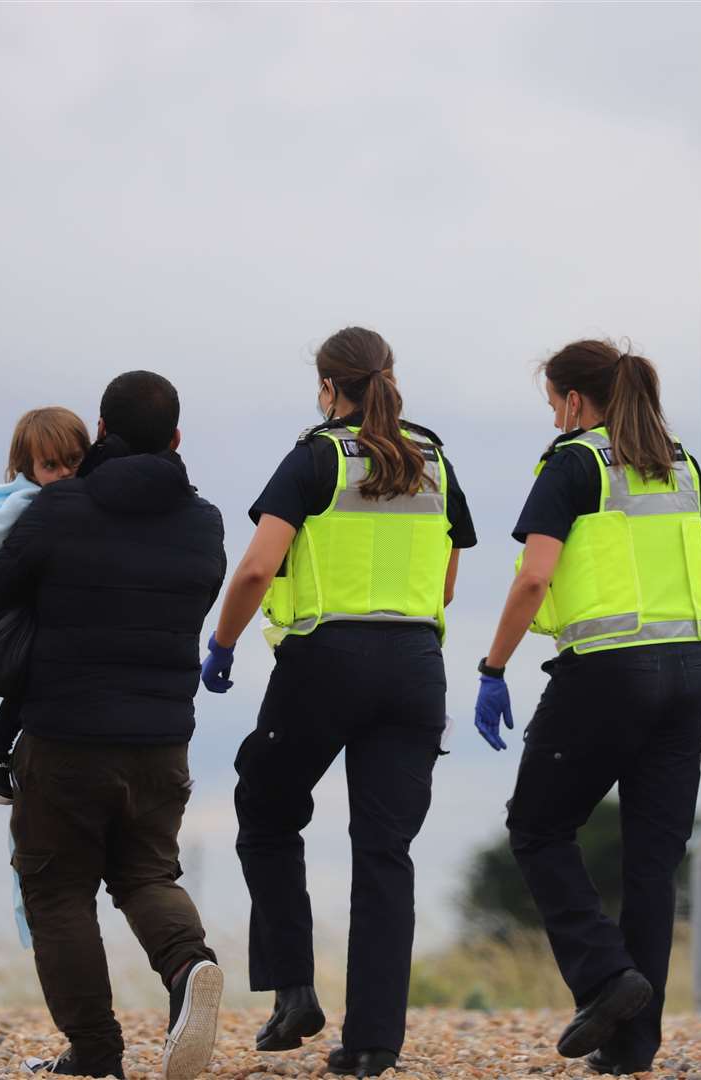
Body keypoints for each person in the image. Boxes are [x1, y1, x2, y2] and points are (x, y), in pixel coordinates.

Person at [472, 339, 701, 1075]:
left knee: (540, 827)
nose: (553, 417)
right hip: (692, 676)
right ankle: (631, 1048)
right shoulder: (682, 467)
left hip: (607, 673)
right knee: (651, 864)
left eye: (552, 403)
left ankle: (607, 979)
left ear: (575, 401)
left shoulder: (573, 464)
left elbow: (531, 581)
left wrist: (494, 667)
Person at [201, 326, 476, 1079]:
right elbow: (448, 581)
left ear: (330, 387)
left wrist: (222, 645)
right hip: (417, 665)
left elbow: (258, 568)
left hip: (324, 662)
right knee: (385, 851)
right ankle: (373, 1044)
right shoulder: (434, 461)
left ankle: (294, 992)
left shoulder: (317, 455)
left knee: (266, 809)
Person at [0, 371, 227, 1080]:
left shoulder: (59, 510)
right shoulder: (204, 521)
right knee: (147, 873)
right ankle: (188, 966)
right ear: (176, 439)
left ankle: (93, 1055)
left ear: (100, 431)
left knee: (57, 892)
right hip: (162, 741)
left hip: (65, 739)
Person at [0, 406, 90, 805]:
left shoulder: (54, 503)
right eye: (51, 465)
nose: (63, 474)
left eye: (73, 462)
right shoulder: (23, 507)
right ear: (28, 468)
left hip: (29, 620)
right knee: (37, 673)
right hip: (14, 622)